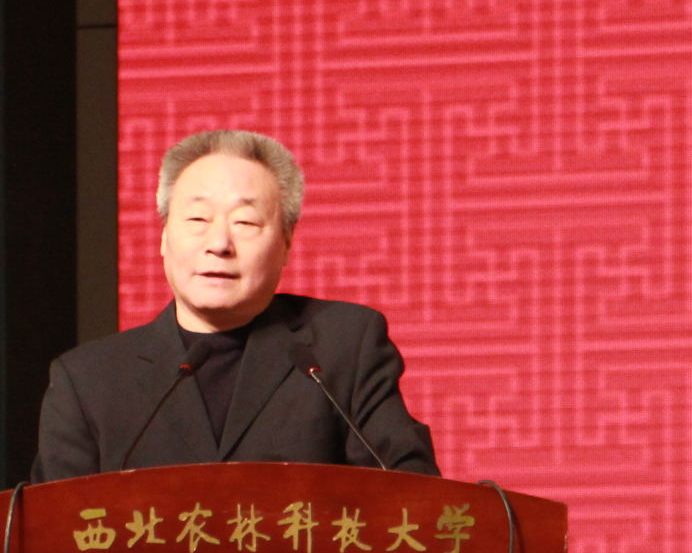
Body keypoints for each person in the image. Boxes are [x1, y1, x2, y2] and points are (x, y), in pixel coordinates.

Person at [31, 129, 439, 481]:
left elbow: (413, 496)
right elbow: (52, 532)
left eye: (245, 223)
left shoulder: (342, 346)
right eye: (197, 220)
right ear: (164, 236)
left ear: (286, 244)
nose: (219, 244)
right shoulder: (88, 381)